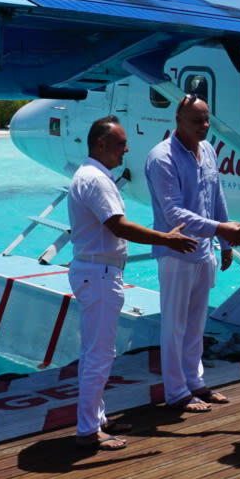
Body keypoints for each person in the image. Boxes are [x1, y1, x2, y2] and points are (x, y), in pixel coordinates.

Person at [68, 116, 196, 450]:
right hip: (99, 273)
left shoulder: (89, 175)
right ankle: (88, 430)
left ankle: (95, 419)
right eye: (120, 143)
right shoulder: (96, 180)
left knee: (94, 351)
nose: (126, 150)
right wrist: (166, 239)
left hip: (94, 270)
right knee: (99, 353)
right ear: (100, 144)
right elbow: (118, 225)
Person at [145, 95, 240, 412]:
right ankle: (176, 391)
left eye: (206, 119)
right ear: (178, 120)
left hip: (204, 251)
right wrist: (221, 229)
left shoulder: (209, 151)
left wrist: (225, 243)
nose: (204, 126)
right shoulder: (162, 158)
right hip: (175, 253)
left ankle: (195, 381)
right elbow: (173, 212)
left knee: (196, 323)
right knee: (174, 324)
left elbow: (216, 196)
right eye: (196, 121)